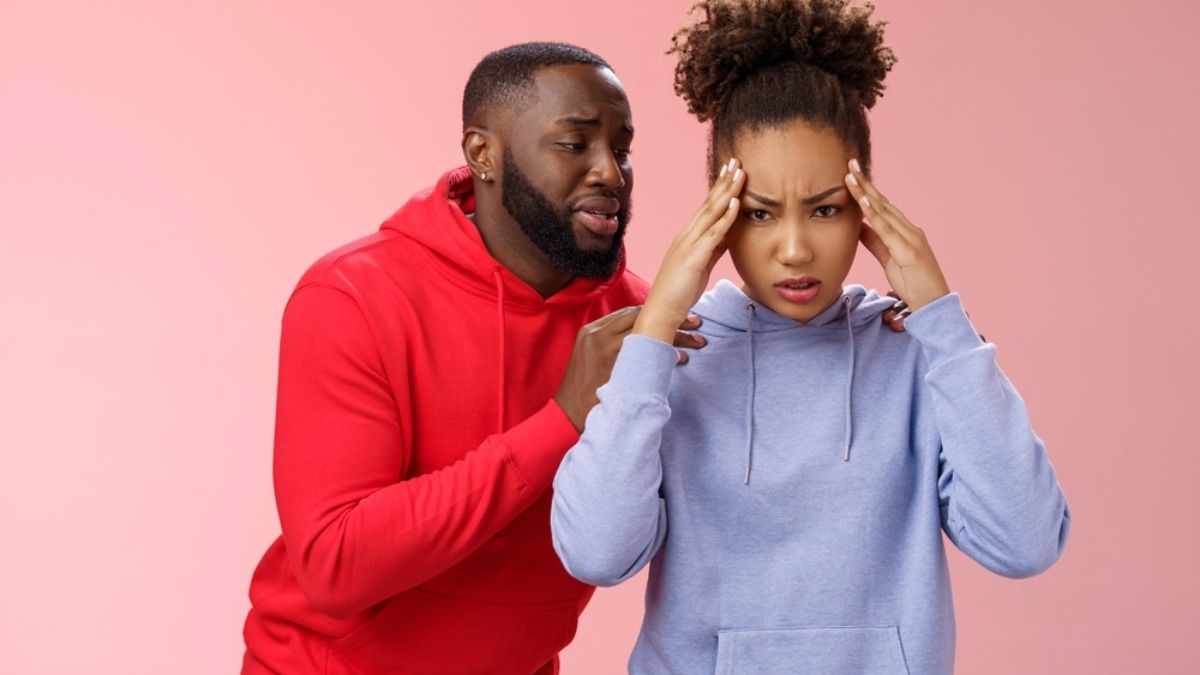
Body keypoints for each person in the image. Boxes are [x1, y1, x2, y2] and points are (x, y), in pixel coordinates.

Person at [549, 2, 1071, 673]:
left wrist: (944, 322)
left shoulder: (918, 353)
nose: (795, 249)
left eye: (826, 209)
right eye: (760, 214)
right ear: (716, 215)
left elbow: (1026, 542)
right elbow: (596, 553)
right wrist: (653, 333)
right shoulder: (672, 359)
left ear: (867, 210)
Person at [239, 42, 706, 674]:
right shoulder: (353, 295)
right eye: (574, 144)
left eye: (621, 149)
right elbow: (335, 565)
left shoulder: (640, 325)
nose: (611, 174)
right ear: (483, 153)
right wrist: (561, 419)